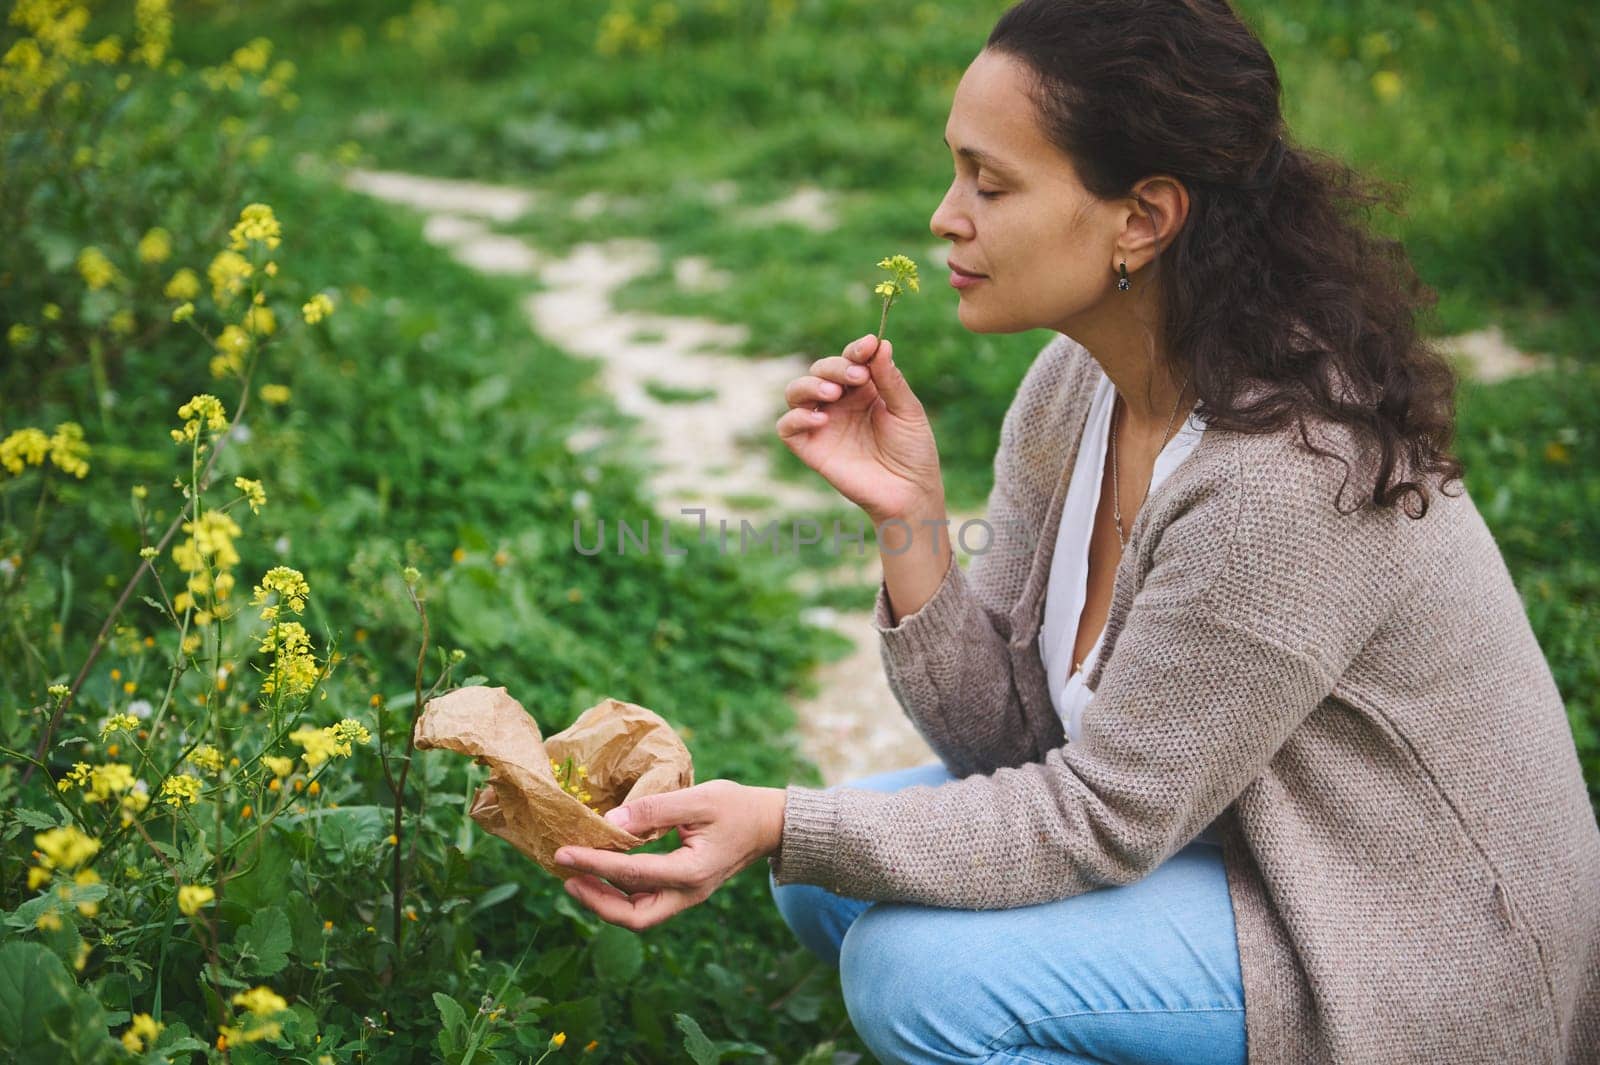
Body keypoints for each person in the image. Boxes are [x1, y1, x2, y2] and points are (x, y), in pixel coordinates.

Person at [552, 1, 1600, 1062]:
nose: (942, 216)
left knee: (913, 973)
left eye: (989, 183)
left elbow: (1099, 819)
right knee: (824, 892)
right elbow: (1008, 738)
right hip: (1229, 838)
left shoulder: (1284, 481)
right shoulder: (1075, 384)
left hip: (1401, 931)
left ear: (1142, 217)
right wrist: (909, 518)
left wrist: (785, 822)